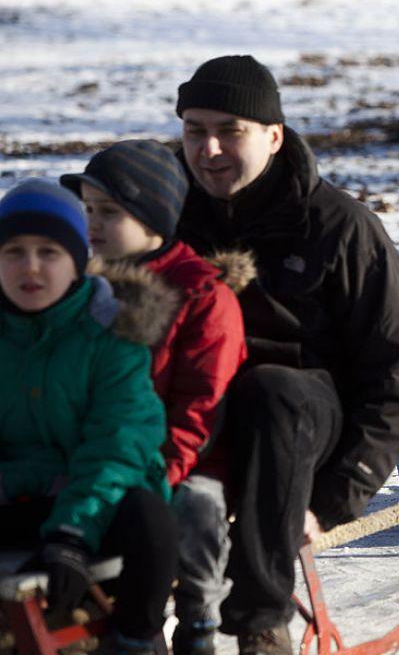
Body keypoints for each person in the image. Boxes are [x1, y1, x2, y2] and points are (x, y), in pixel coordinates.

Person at [173, 55, 399, 655]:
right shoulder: (165, 215)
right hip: (190, 409)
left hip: (304, 420)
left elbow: (393, 377)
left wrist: (333, 501)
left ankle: (261, 621)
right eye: (194, 130)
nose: (209, 149)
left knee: (272, 391)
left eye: (229, 130)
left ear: (274, 136)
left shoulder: (339, 227)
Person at [61, 140, 249, 655]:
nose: (92, 225)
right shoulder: (79, 286)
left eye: (110, 213)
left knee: (194, 506)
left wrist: (151, 474)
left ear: (153, 220)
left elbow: (199, 408)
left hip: (185, 457)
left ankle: (198, 618)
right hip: (103, 454)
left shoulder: (204, 296)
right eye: (88, 211)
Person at [0, 179, 178, 655]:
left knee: (153, 521)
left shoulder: (112, 335)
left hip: (101, 496)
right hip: (15, 493)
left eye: (49, 252)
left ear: (77, 262)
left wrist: (72, 532)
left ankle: (135, 640)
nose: (30, 267)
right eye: (14, 251)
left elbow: (118, 445)